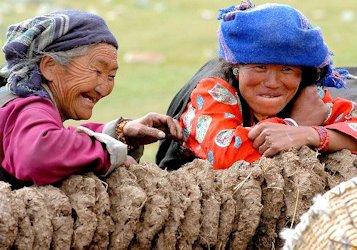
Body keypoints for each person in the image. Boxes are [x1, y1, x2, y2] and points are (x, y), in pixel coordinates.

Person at [156, 1, 357, 170]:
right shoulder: (213, 90)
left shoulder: (308, 94)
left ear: (302, 74)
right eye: (260, 67)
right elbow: (225, 155)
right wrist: (294, 124)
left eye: (287, 70)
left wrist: (309, 134)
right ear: (236, 67)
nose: (272, 83)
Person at [0, 10, 183, 188]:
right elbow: (38, 153)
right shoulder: (29, 107)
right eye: (97, 71)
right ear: (50, 66)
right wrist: (109, 154)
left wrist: (119, 132)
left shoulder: (20, 101)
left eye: (111, 76)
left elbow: (58, 136)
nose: (104, 89)